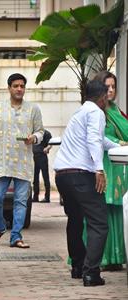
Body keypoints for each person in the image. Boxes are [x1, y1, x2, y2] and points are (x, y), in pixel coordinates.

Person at [54, 80, 119, 287]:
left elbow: (98, 139)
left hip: (63, 175)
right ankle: (91, 273)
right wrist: (99, 169)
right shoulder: (97, 113)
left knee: (75, 220)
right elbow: (93, 140)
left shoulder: (80, 113)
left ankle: (78, 266)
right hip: (82, 175)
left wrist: (118, 145)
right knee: (99, 223)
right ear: (101, 98)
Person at [0, 73, 44, 248]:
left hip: (23, 163)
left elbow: (41, 132)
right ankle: (0, 228)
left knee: (21, 201)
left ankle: (16, 236)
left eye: (22, 86)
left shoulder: (33, 109)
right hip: (2, 163)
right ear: (9, 88)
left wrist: (34, 138)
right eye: (16, 86)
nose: (19, 89)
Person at [92, 71, 128, 271]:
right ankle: (102, 258)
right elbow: (100, 138)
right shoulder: (98, 111)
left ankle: (115, 258)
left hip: (120, 165)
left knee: (117, 209)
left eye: (113, 86)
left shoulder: (115, 109)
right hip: (105, 163)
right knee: (103, 210)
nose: (111, 90)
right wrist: (121, 143)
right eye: (107, 87)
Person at [32, 129, 52, 203]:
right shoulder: (33, 132)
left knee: (45, 177)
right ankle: (35, 196)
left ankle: (47, 197)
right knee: (35, 177)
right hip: (34, 156)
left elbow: (51, 143)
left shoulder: (46, 133)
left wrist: (47, 148)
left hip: (42, 156)